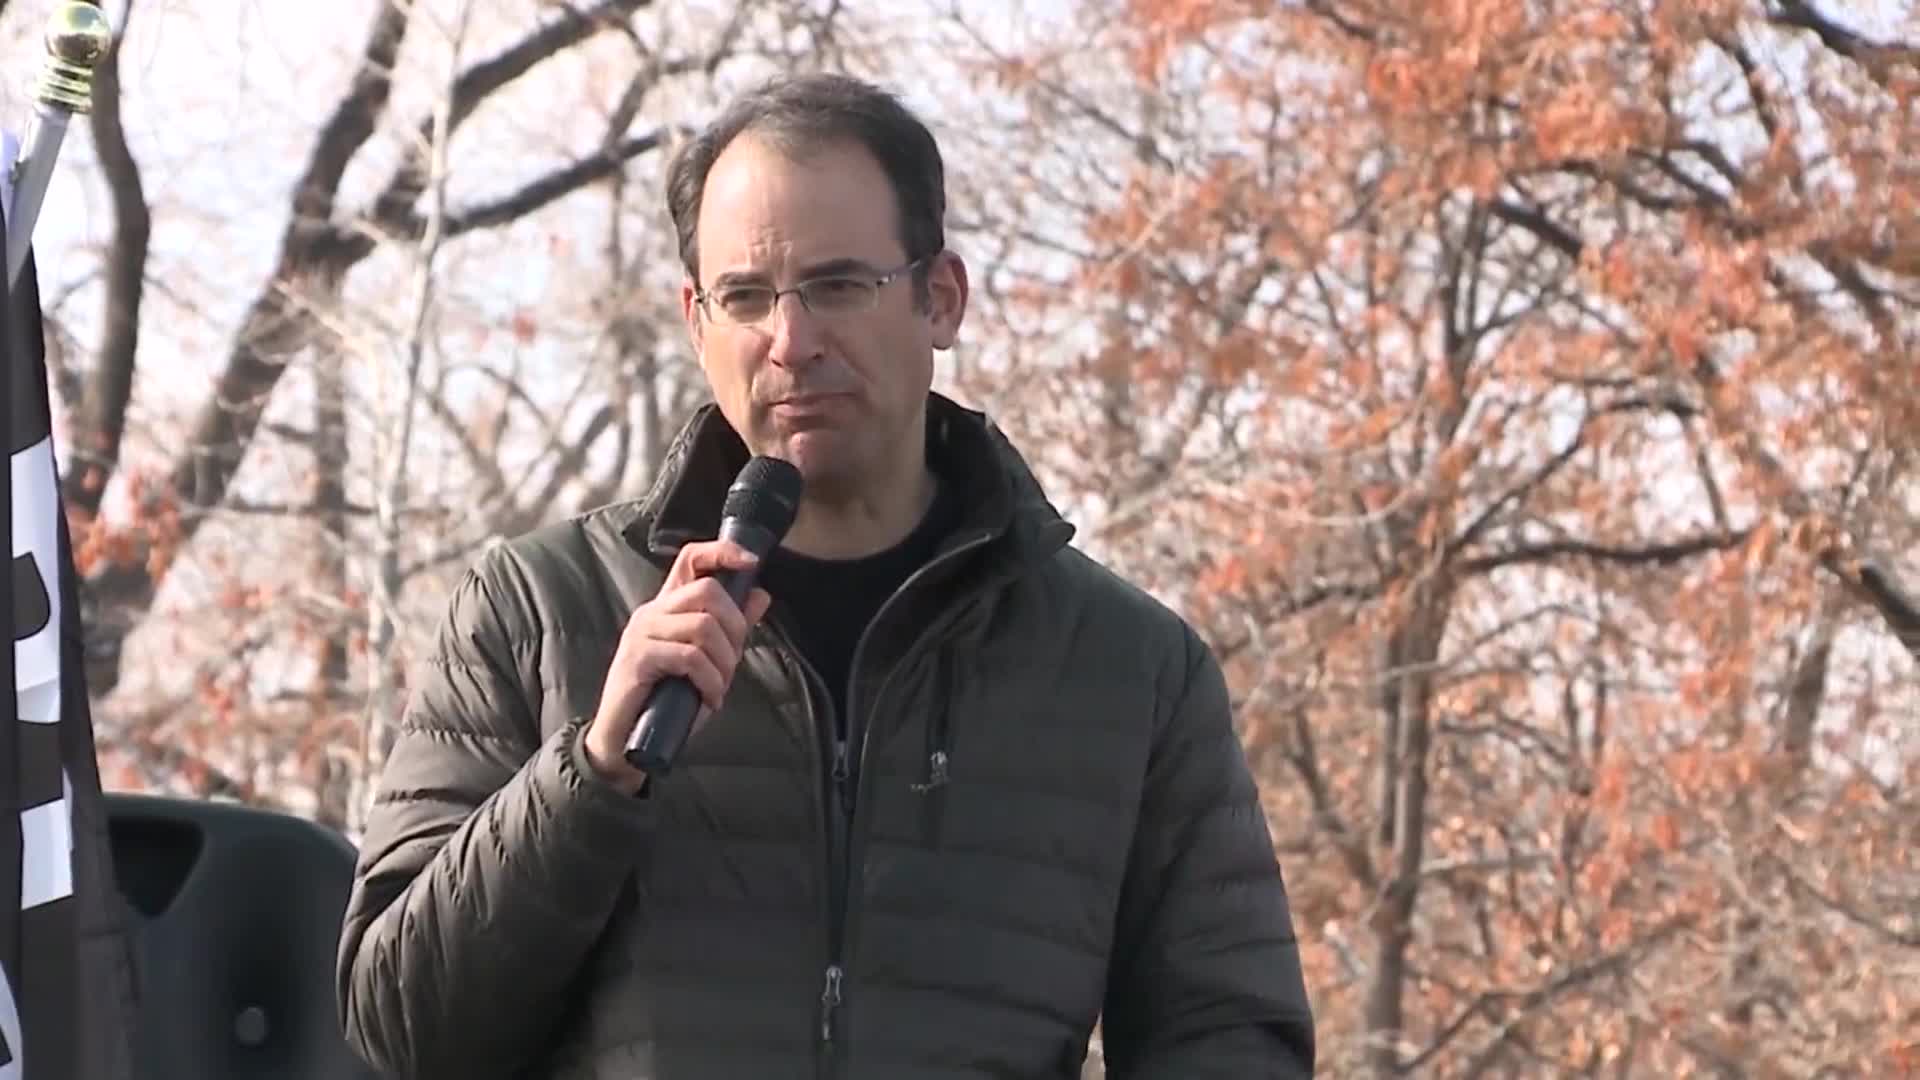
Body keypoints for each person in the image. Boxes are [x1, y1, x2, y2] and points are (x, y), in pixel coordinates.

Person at [335, 72, 1315, 1079]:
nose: (790, 343)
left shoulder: (1130, 670)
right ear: (694, 319)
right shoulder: (536, 611)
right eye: (746, 298)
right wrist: (593, 773)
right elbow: (404, 1032)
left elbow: (1230, 1040)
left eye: (839, 286)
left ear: (940, 299)